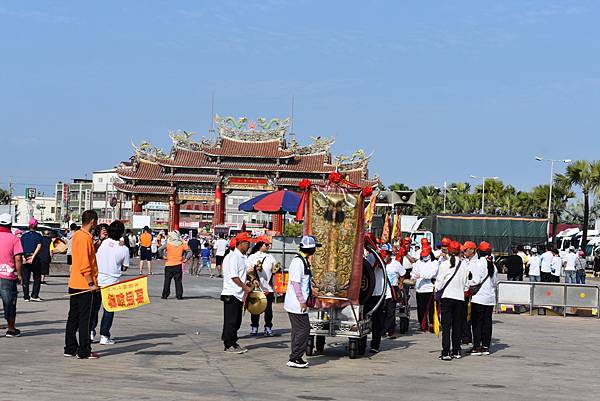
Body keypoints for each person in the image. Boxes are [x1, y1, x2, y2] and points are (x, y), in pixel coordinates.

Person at [64, 210, 103, 359]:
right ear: (93, 221)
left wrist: (98, 242)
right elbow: (85, 264)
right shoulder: (85, 238)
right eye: (96, 221)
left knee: (73, 316)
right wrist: (91, 283)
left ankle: (70, 348)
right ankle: (84, 350)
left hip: (74, 282)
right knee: (85, 319)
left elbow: (86, 256)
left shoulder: (78, 236)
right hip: (84, 285)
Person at [285, 235, 320, 368]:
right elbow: (295, 283)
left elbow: (304, 281)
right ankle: (295, 357)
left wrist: (311, 291)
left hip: (298, 303)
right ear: (310, 248)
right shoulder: (298, 262)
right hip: (296, 304)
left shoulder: (304, 261)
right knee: (304, 329)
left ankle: (295, 356)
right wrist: (301, 301)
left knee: (297, 330)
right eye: (315, 248)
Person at [93, 220, 129, 345]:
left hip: (97, 280)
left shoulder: (102, 243)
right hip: (112, 282)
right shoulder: (124, 249)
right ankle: (104, 335)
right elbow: (125, 267)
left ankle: (90, 332)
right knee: (109, 310)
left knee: (94, 308)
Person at [435, 240, 469, 360]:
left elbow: (439, 282)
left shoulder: (444, 265)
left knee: (446, 326)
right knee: (457, 325)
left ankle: (445, 352)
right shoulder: (464, 264)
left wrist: (436, 292)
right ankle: (457, 350)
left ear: (448, 250)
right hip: (460, 298)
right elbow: (467, 284)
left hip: (447, 298)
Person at [221, 232, 254, 354]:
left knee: (236, 320)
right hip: (232, 293)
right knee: (231, 321)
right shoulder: (233, 257)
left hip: (238, 294)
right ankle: (229, 344)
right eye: (247, 243)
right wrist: (245, 287)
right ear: (240, 244)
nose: (248, 245)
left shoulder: (240, 257)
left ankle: (232, 341)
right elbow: (234, 276)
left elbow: (241, 275)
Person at [469, 241, 497, 356]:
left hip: (479, 298)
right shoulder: (493, 266)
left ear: (478, 251)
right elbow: (495, 283)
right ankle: (485, 346)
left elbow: (475, 280)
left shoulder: (478, 263)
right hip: (490, 298)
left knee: (476, 323)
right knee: (487, 323)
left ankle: (476, 346)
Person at [247, 235, 277, 336]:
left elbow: (275, 268)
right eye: (266, 244)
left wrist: (276, 269)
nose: (268, 246)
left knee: (268, 310)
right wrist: (253, 274)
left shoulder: (270, 257)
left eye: (268, 244)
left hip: (268, 287)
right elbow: (248, 271)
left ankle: (268, 327)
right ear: (260, 245)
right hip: (256, 287)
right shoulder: (252, 257)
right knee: (255, 308)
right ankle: (254, 327)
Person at [0, 213, 24, 337]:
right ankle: (11, 329)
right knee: (9, 303)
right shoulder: (14, 239)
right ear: (10, 224)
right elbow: (18, 258)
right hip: (7, 276)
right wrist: (19, 275)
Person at [365, 243, 388, 354]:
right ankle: (361, 343)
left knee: (377, 320)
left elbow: (382, 264)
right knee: (362, 319)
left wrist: (379, 256)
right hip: (366, 293)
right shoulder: (368, 256)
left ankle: (375, 345)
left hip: (378, 293)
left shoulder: (380, 257)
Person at [411, 245, 438, 333]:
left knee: (431, 308)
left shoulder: (434, 263)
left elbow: (432, 274)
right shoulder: (419, 262)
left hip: (430, 288)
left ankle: (431, 324)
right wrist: (413, 277)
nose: (424, 257)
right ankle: (422, 324)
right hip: (420, 288)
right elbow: (414, 272)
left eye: (426, 255)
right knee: (421, 308)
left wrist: (421, 275)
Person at [384, 247, 406, 338]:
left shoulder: (396, 264)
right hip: (381, 291)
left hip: (392, 290)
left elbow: (403, 273)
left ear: (389, 255)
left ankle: (390, 331)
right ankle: (382, 329)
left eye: (386, 254)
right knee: (382, 312)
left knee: (390, 312)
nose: (384, 256)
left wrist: (400, 283)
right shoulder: (379, 263)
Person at [20, 218, 43, 302]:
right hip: (35, 258)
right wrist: (33, 256)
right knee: (37, 277)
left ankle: (26, 296)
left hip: (25, 257)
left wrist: (23, 257)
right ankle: (34, 295)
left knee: (25, 277)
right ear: (36, 226)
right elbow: (39, 246)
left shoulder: (24, 236)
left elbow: (20, 247)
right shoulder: (38, 236)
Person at [461, 241, 479, 345]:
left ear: (472, 250)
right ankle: (465, 337)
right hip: (464, 293)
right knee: (464, 316)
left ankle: (474, 338)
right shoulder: (465, 261)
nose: (464, 251)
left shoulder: (478, 263)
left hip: (474, 294)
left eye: (465, 249)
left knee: (473, 317)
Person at [161, 231, 188, 300]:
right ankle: (179, 295)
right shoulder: (182, 244)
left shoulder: (168, 244)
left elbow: (159, 249)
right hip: (178, 265)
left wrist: (163, 256)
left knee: (167, 281)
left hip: (168, 265)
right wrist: (186, 258)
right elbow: (190, 251)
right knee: (178, 281)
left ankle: (165, 295)